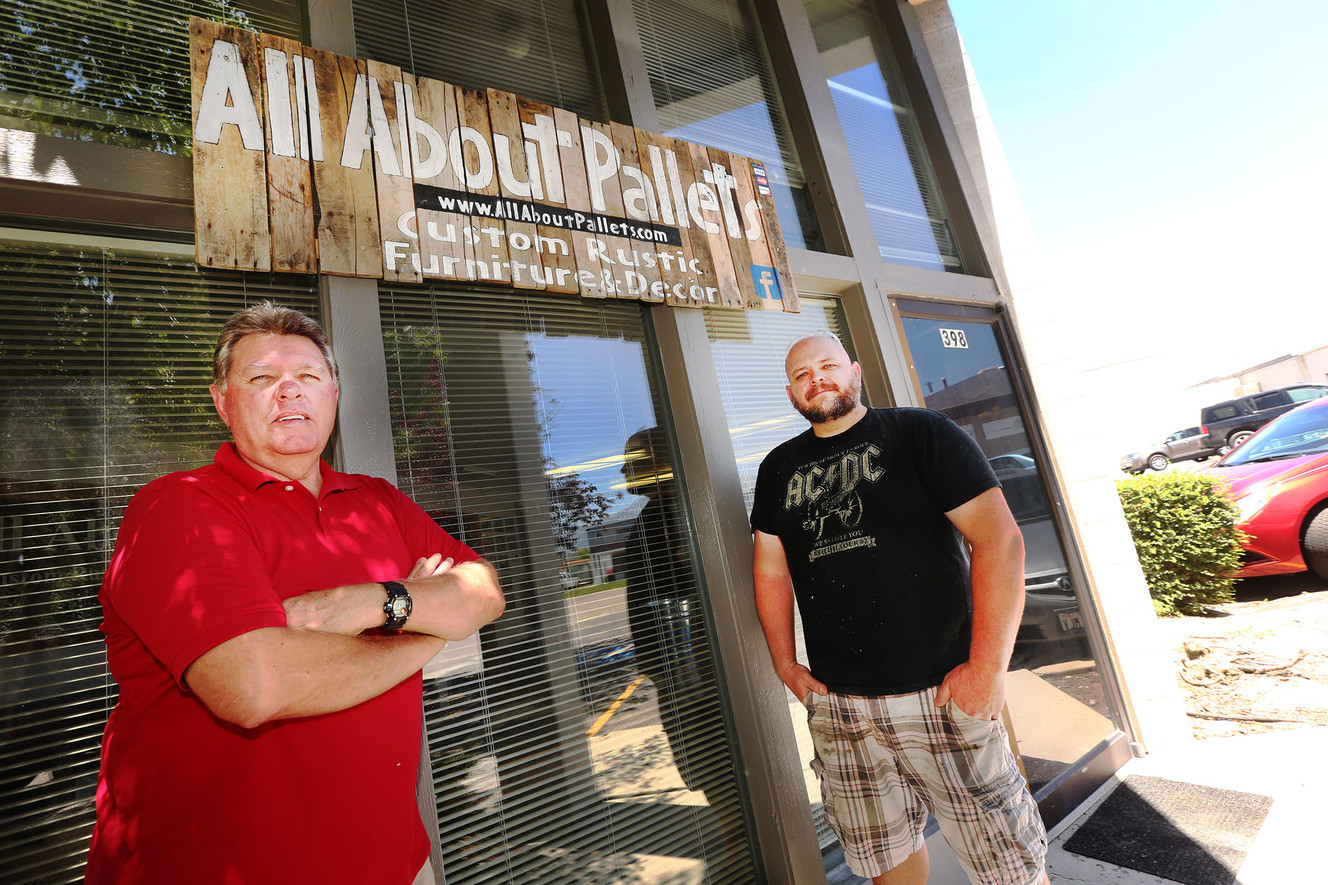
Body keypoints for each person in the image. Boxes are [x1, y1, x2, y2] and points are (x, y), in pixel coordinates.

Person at [84, 303, 505, 885]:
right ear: (222, 401)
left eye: (308, 376)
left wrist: (368, 605)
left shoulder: (378, 500)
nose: (289, 391)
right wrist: (428, 625)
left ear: (333, 393)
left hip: (397, 862)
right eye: (261, 378)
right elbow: (256, 685)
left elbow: (482, 591)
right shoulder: (179, 507)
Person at [749, 331, 1049, 885]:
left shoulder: (919, 434)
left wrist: (987, 669)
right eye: (800, 374)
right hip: (840, 707)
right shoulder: (777, 469)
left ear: (855, 371)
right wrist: (785, 665)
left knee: (1008, 866)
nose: (816, 378)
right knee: (884, 862)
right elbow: (771, 570)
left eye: (827, 365)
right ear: (790, 392)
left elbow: (1000, 541)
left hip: (939, 693)